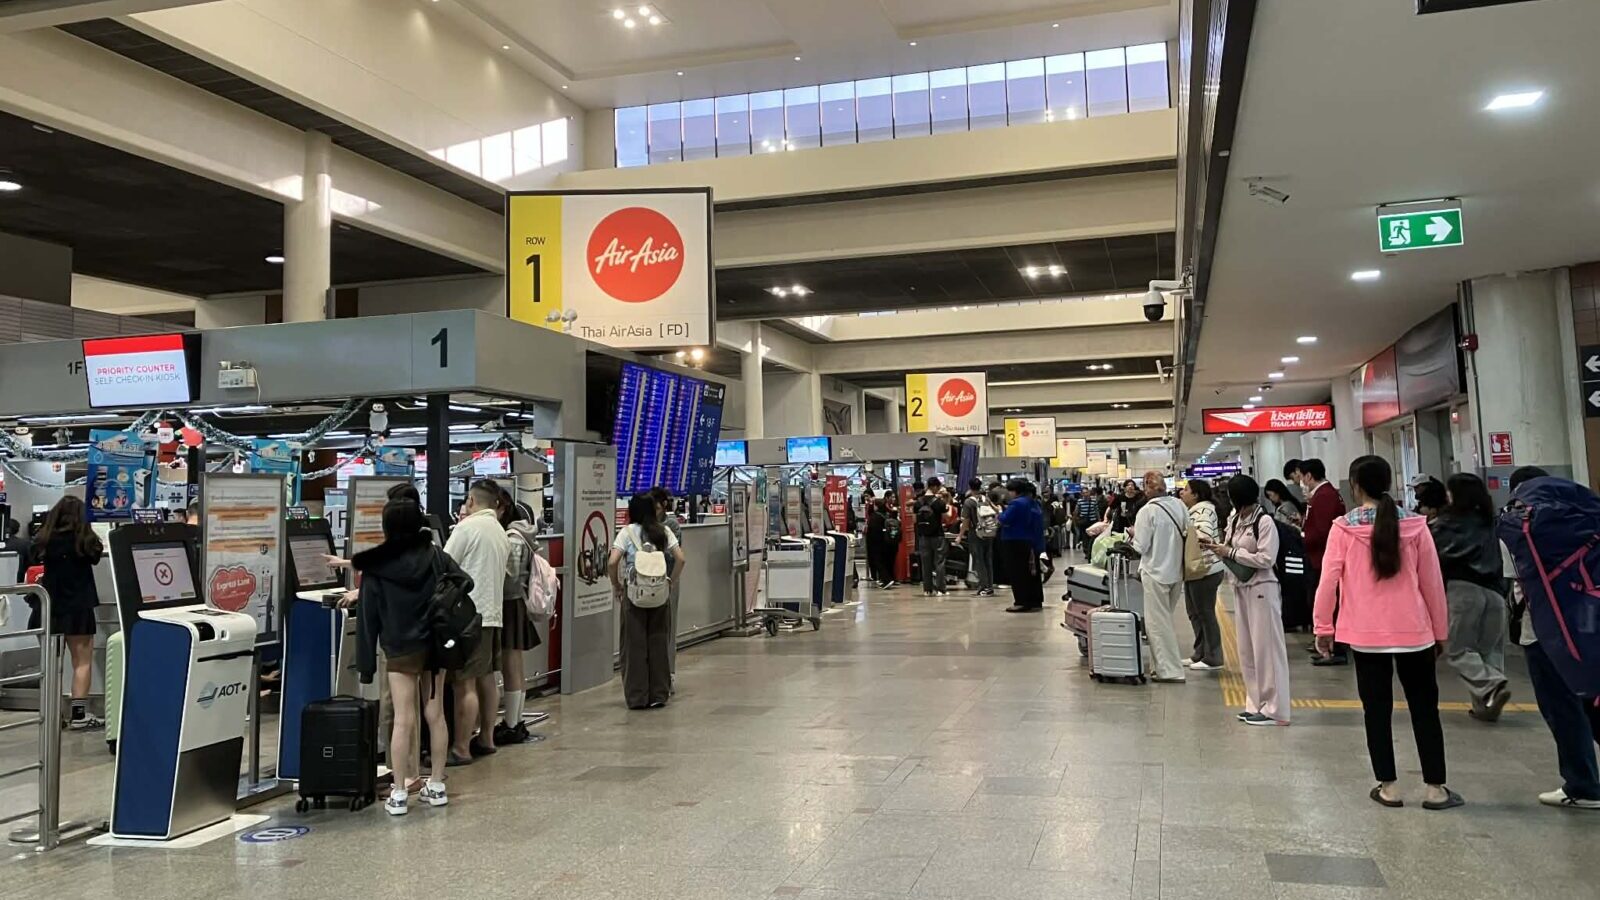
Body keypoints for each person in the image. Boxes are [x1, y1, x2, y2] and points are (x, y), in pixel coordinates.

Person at [1314, 455, 1460, 810]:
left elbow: (1328, 580)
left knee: (1375, 711)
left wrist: (1323, 627)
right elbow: (1432, 584)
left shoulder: (1343, 527)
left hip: (1365, 635)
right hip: (1415, 632)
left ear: (1355, 486)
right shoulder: (1416, 525)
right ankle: (1436, 789)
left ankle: (1389, 787)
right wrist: (1440, 630)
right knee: (1425, 709)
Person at [1503, 466, 1600, 810]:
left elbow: (1518, 581)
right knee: (1592, 698)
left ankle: (1583, 784)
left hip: (1546, 631)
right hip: (1588, 620)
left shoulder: (1523, 525)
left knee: (1561, 707)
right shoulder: (1582, 516)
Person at [353, 499, 457, 816]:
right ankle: (436, 786)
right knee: (435, 714)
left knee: (403, 718)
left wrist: (366, 668)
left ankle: (399, 793)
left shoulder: (376, 566)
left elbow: (367, 618)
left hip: (399, 647)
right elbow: (465, 581)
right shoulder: (436, 555)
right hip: (435, 644)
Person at [1205, 475, 1292, 725]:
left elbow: (1267, 559)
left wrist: (1232, 552)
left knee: (1267, 651)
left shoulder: (1264, 522)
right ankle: (1255, 703)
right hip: (1240, 587)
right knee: (1247, 650)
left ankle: (1275, 710)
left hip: (1263, 588)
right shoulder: (1235, 519)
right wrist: (1216, 547)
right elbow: (1229, 547)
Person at [1429, 473, 1511, 721]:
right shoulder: (1492, 522)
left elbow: (1434, 558)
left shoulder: (1447, 523)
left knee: (1458, 650)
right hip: (1496, 593)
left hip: (1463, 590)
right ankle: (1485, 706)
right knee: (1490, 651)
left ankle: (1491, 684)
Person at [441, 481, 512, 764]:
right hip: (493, 614)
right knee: (487, 679)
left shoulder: (467, 528)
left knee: (464, 684)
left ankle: (460, 747)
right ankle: (486, 738)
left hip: (468, 617)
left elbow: (443, 565)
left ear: (470, 500)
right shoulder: (500, 531)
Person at [29, 496, 104, 730]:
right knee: (81, 661)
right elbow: (96, 555)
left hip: (49, 607)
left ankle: (52, 714)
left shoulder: (44, 540)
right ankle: (79, 715)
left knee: (52, 664)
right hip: (78, 607)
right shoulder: (85, 541)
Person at [608, 492, 685, 708]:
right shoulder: (664, 531)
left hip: (634, 595)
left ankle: (637, 697)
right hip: (660, 594)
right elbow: (681, 558)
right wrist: (671, 580)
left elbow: (612, 562)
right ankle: (659, 694)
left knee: (634, 646)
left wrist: (617, 585)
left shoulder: (626, 533)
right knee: (659, 642)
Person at [491, 485, 542, 746]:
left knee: (511, 667)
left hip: (508, 604)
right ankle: (515, 720)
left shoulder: (511, 537)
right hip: (516, 605)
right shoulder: (522, 534)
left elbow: (509, 579)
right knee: (516, 667)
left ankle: (512, 723)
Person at [1131, 471, 1189, 682]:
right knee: (1165, 620)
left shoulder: (1147, 512)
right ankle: (1158, 666)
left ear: (1148, 487)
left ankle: (1170, 671)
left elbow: (1141, 546)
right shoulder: (1179, 505)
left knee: (1157, 624)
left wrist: (1131, 536)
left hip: (1155, 572)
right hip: (1176, 571)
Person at [1298, 458, 1348, 666]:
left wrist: (1302, 538)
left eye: (1301, 477)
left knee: (1328, 601)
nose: (1300, 482)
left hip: (1322, 557)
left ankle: (1335, 648)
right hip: (1318, 556)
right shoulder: (1321, 495)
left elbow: (1323, 531)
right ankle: (1328, 644)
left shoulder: (1324, 496)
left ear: (1309, 476)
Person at [1179, 479, 1225, 672]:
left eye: (1186, 490)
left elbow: (1203, 534)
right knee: (1194, 613)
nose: (1182, 492)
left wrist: (1182, 532)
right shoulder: (1194, 511)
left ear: (1196, 494)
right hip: (1195, 570)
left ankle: (1213, 657)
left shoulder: (1203, 511)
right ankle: (1200, 652)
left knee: (1205, 614)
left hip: (1205, 569)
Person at [999, 479, 1045, 612]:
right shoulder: (1033, 503)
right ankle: (1035, 600)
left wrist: (1000, 513)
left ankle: (1021, 601)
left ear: (1014, 491)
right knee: (1031, 572)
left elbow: (1004, 519)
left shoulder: (1016, 503)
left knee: (1017, 572)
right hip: (1030, 541)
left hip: (1014, 540)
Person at [957, 478, 997, 597]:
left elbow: (966, 521)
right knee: (988, 560)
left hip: (976, 533)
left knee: (979, 560)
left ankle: (983, 586)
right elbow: (996, 511)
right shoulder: (986, 499)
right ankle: (990, 585)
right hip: (989, 532)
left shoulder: (969, 502)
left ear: (970, 487)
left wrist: (960, 535)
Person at [913, 478, 949, 597]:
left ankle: (927, 589)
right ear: (934, 487)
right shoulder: (938, 502)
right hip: (937, 535)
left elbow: (914, 520)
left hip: (923, 536)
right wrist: (946, 501)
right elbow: (946, 517)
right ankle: (941, 589)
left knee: (925, 563)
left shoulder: (918, 502)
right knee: (939, 562)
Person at [1075, 488, 1099, 555]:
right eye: (1084, 493)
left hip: (1092, 521)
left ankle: (1091, 550)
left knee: (1092, 537)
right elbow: (1077, 511)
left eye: (1087, 492)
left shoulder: (1094, 501)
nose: (1085, 494)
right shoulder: (1080, 501)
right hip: (1083, 522)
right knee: (1084, 537)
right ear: (1082, 494)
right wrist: (1077, 519)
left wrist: (1099, 520)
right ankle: (1086, 551)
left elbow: (1096, 511)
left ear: (1089, 493)